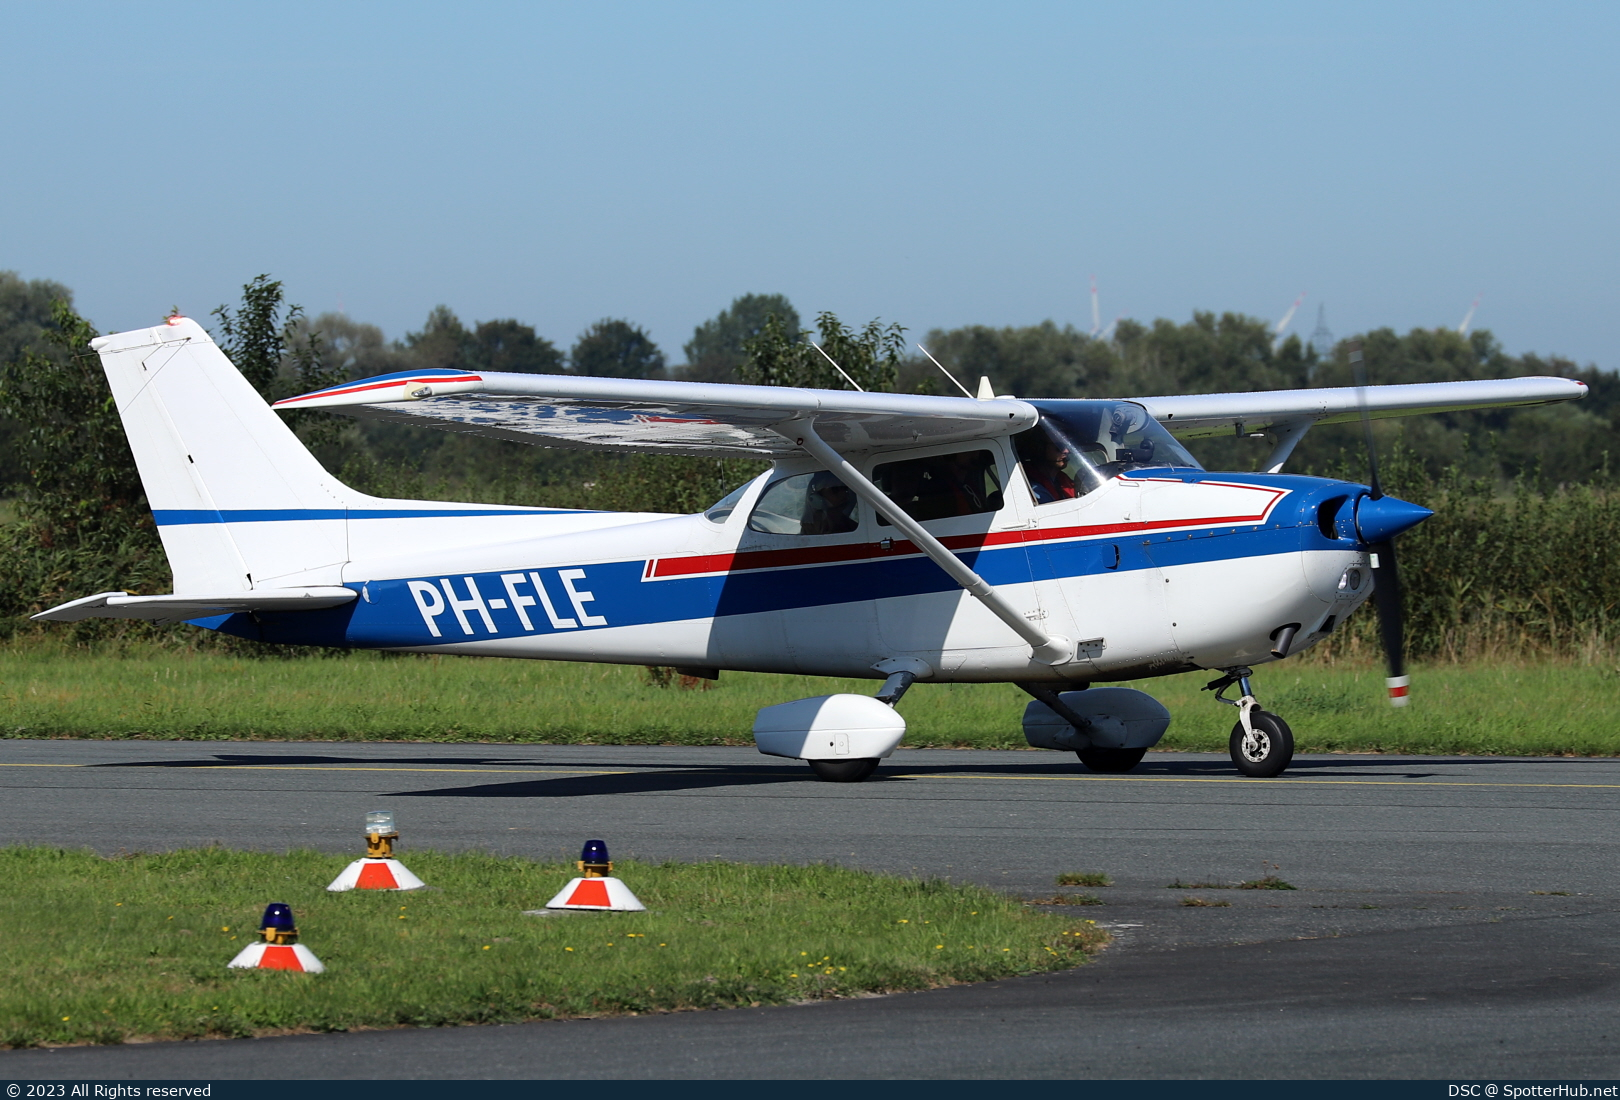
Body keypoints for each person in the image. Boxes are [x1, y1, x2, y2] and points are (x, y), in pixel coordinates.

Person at [1020, 434, 1077, 505]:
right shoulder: (1034, 488)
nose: (1066, 451)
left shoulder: (1060, 480)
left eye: (1067, 446)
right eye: (1059, 446)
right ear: (1041, 449)